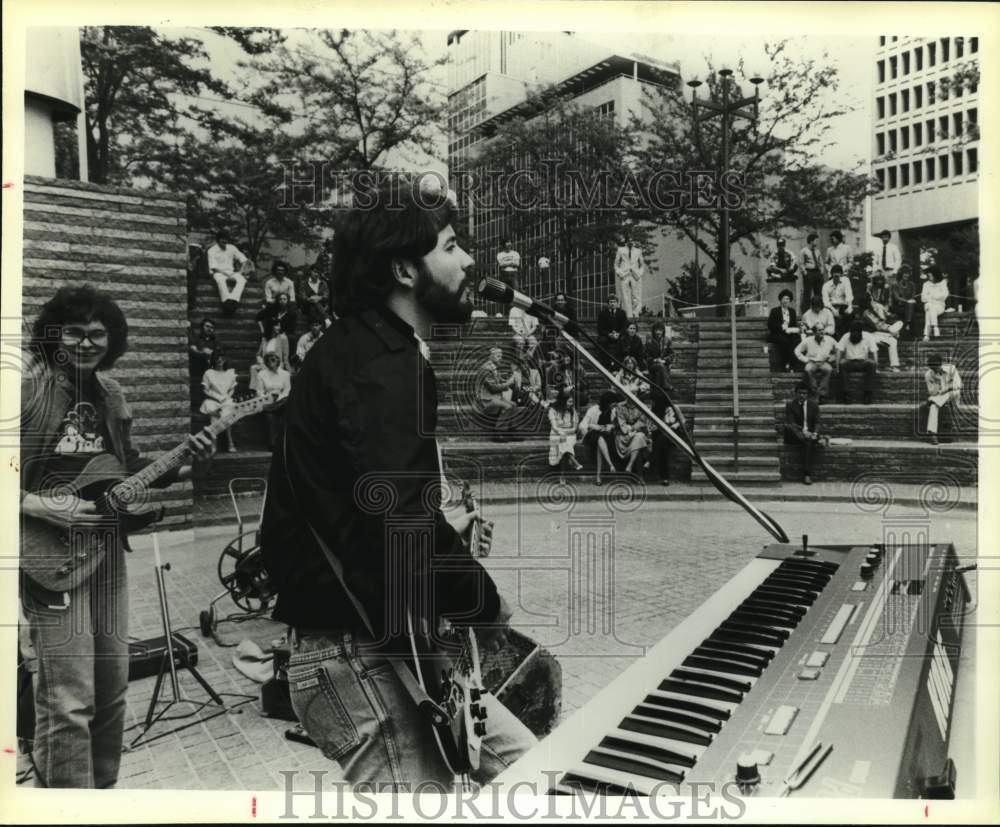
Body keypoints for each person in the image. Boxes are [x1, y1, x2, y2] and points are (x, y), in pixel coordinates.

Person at [259, 176, 534, 789]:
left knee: (531, 773)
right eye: (451, 246)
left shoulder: (367, 351)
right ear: (405, 270)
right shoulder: (382, 365)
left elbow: (374, 507)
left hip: (382, 649)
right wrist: (486, 605)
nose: (468, 261)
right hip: (355, 662)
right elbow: (399, 522)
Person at [20, 285, 215, 788]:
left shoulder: (112, 394)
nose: (87, 344)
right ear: (52, 335)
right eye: (75, 333)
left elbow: (123, 471)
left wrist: (180, 459)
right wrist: (42, 506)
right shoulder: (27, 389)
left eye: (98, 335)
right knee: (68, 698)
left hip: (106, 548)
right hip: (47, 552)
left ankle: (101, 797)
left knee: (111, 689)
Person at [783, 382, 822, 485]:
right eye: (800, 393)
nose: (802, 395)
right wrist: (804, 433)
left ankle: (807, 474)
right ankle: (815, 439)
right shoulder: (790, 405)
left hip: (808, 436)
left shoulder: (813, 405)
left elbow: (817, 422)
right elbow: (792, 423)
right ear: (796, 394)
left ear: (807, 394)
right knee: (788, 427)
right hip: (795, 434)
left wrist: (814, 433)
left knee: (808, 443)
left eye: (804, 393)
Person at [200, 351, 239, 451]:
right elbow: (205, 389)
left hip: (226, 399)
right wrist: (216, 398)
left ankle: (228, 441)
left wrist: (226, 397)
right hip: (212, 399)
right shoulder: (209, 373)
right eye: (217, 358)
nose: (219, 360)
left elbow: (232, 389)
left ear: (225, 359)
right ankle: (215, 442)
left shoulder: (230, 373)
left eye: (221, 357)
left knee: (226, 411)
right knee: (214, 411)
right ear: (213, 360)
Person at [477, 345, 518, 439]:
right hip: (486, 400)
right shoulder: (486, 369)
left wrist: (511, 379)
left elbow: (500, 381)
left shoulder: (493, 367)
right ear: (490, 356)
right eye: (498, 356)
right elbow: (493, 388)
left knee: (514, 405)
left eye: (501, 355)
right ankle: (498, 432)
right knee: (508, 406)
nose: (501, 358)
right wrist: (508, 383)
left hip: (495, 397)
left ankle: (512, 431)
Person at [206, 229, 249, 313]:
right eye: (222, 239)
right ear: (218, 239)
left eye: (226, 239)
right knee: (221, 280)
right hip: (218, 272)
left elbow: (244, 260)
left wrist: (241, 271)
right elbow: (214, 267)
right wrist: (225, 274)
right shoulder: (211, 250)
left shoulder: (232, 248)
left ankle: (233, 300)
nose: (224, 241)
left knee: (242, 279)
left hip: (231, 272)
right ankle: (226, 301)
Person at [922, 354, 962, 445]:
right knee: (933, 406)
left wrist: (946, 389)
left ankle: (934, 401)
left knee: (952, 393)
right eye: (933, 369)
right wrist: (938, 386)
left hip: (953, 395)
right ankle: (933, 434)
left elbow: (958, 385)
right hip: (939, 397)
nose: (935, 370)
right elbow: (931, 392)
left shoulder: (951, 369)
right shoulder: (928, 374)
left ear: (941, 364)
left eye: (936, 367)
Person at [859, 291, 903, 372]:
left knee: (893, 341)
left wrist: (890, 328)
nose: (873, 301)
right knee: (892, 338)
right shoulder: (866, 313)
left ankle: (894, 366)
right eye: (871, 299)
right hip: (869, 335)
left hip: (877, 334)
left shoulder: (873, 309)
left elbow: (884, 320)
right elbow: (878, 325)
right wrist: (890, 330)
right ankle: (875, 367)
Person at [836, 321, 878, 404]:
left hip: (863, 362)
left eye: (857, 332)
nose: (855, 334)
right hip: (849, 362)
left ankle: (868, 393)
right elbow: (839, 351)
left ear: (861, 332)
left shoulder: (868, 336)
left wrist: (876, 367)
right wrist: (837, 367)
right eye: (853, 332)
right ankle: (846, 394)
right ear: (850, 332)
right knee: (842, 363)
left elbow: (874, 352)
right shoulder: (846, 336)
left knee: (872, 364)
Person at [256, 352, 291, 449]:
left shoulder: (285, 374)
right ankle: (273, 444)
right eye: (269, 359)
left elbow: (287, 390)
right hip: (267, 401)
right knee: (270, 417)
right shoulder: (261, 374)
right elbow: (259, 392)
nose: (272, 361)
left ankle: (271, 408)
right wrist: (268, 400)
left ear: (278, 361)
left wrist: (278, 401)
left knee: (286, 402)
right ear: (266, 362)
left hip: (281, 401)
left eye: (274, 359)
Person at [794, 325, 837, 400]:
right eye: (819, 330)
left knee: (829, 370)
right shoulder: (808, 340)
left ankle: (822, 394)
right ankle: (814, 392)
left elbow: (839, 350)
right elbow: (797, 351)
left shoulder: (830, 340)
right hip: (812, 362)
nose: (821, 332)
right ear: (814, 332)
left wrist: (832, 358)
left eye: (823, 330)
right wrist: (805, 360)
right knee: (808, 369)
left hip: (824, 362)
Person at [548, 391, 583, 484]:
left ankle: (563, 475)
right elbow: (554, 426)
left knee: (564, 442)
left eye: (572, 402)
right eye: (569, 402)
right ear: (563, 401)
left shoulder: (573, 411)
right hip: (556, 433)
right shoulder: (553, 410)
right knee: (562, 441)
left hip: (570, 434)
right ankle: (573, 461)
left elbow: (574, 428)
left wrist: (565, 432)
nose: (571, 404)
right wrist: (560, 432)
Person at [250, 318, 290, 393]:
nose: (279, 328)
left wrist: (288, 368)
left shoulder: (283, 338)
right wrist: (261, 362)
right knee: (253, 368)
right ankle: (256, 391)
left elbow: (285, 356)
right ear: (271, 326)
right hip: (265, 363)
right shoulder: (265, 339)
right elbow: (258, 354)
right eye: (277, 326)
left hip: (277, 363)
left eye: (279, 326)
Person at [766, 289, 800, 371]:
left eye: (788, 299)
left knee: (796, 340)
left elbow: (794, 325)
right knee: (785, 342)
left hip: (789, 333)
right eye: (784, 299)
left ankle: (792, 364)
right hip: (777, 334)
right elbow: (770, 325)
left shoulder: (792, 311)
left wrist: (794, 329)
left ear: (790, 300)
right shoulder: (774, 311)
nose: (786, 301)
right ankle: (785, 364)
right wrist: (781, 327)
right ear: (780, 300)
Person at [614, 234, 645, 319]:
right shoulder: (620, 250)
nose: (630, 242)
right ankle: (628, 315)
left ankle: (636, 313)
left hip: (635, 275)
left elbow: (642, 264)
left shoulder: (638, 251)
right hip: (625, 275)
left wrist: (639, 273)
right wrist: (620, 273)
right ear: (626, 241)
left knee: (636, 295)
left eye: (632, 240)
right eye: (629, 240)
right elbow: (616, 264)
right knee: (625, 296)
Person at [822, 264, 854, 338]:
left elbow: (849, 295)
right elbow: (826, 302)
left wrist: (850, 307)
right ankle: (834, 335)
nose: (836, 278)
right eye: (835, 276)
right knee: (831, 317)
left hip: (843, 306)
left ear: (841, 275)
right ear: (832, 275)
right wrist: (833, 311)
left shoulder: (846, 281)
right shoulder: (826, 285)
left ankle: (846, 336)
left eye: (838, 276)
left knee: (850, 315)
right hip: (831, 307)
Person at [596, 294, 628, 367]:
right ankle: (605, 363)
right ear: (608, 303)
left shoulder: (622, 313)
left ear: (617, 303)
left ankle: (621, 362)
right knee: (602, 341)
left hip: (618, 335)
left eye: (614, 302)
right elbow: (600, 329)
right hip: (607, 335)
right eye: (610, 302)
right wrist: (609, 334)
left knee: (623, 340)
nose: (612, 304)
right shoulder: (602, 313)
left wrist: (618, 334)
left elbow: (624, 327)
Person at [644, 321, 674, 397]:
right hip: (652, 365)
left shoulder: (667, 340)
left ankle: (658, 393)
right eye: (656, 330)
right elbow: (645, 356)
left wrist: (665, 360)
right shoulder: (649, 342)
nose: (658, 332)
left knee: (659, 372)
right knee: (659, 366)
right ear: (653, 331)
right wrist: (655, 360)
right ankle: (668, 386)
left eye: (660, 330)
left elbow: (672, 354)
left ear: (663, 331)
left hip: (664, 364)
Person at [799, 232, 824, 312]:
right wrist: (805, 273)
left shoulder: (817, 251)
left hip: (817, 273)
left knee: (818, 293)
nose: (817, 242)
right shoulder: (804, 251)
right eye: (816, 240)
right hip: (809, 273)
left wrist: (821, 272)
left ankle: (818, 309)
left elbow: (821, 262)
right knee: (807, 293)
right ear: (811, 241)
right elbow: (801, 263)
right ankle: (805, 311)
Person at [921, 266, 949, 341]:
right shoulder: (926, 284)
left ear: (935, 275)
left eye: (931, 275)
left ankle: (927, 335)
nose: (929, 277)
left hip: (940, 306)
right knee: (930, 306)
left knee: (929, 311)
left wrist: (931, 297)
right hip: (930, 305)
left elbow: (945, 295)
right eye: (928, 276)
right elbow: (923, 298)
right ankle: (935, 329)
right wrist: (935, 299)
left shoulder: (942, 283)